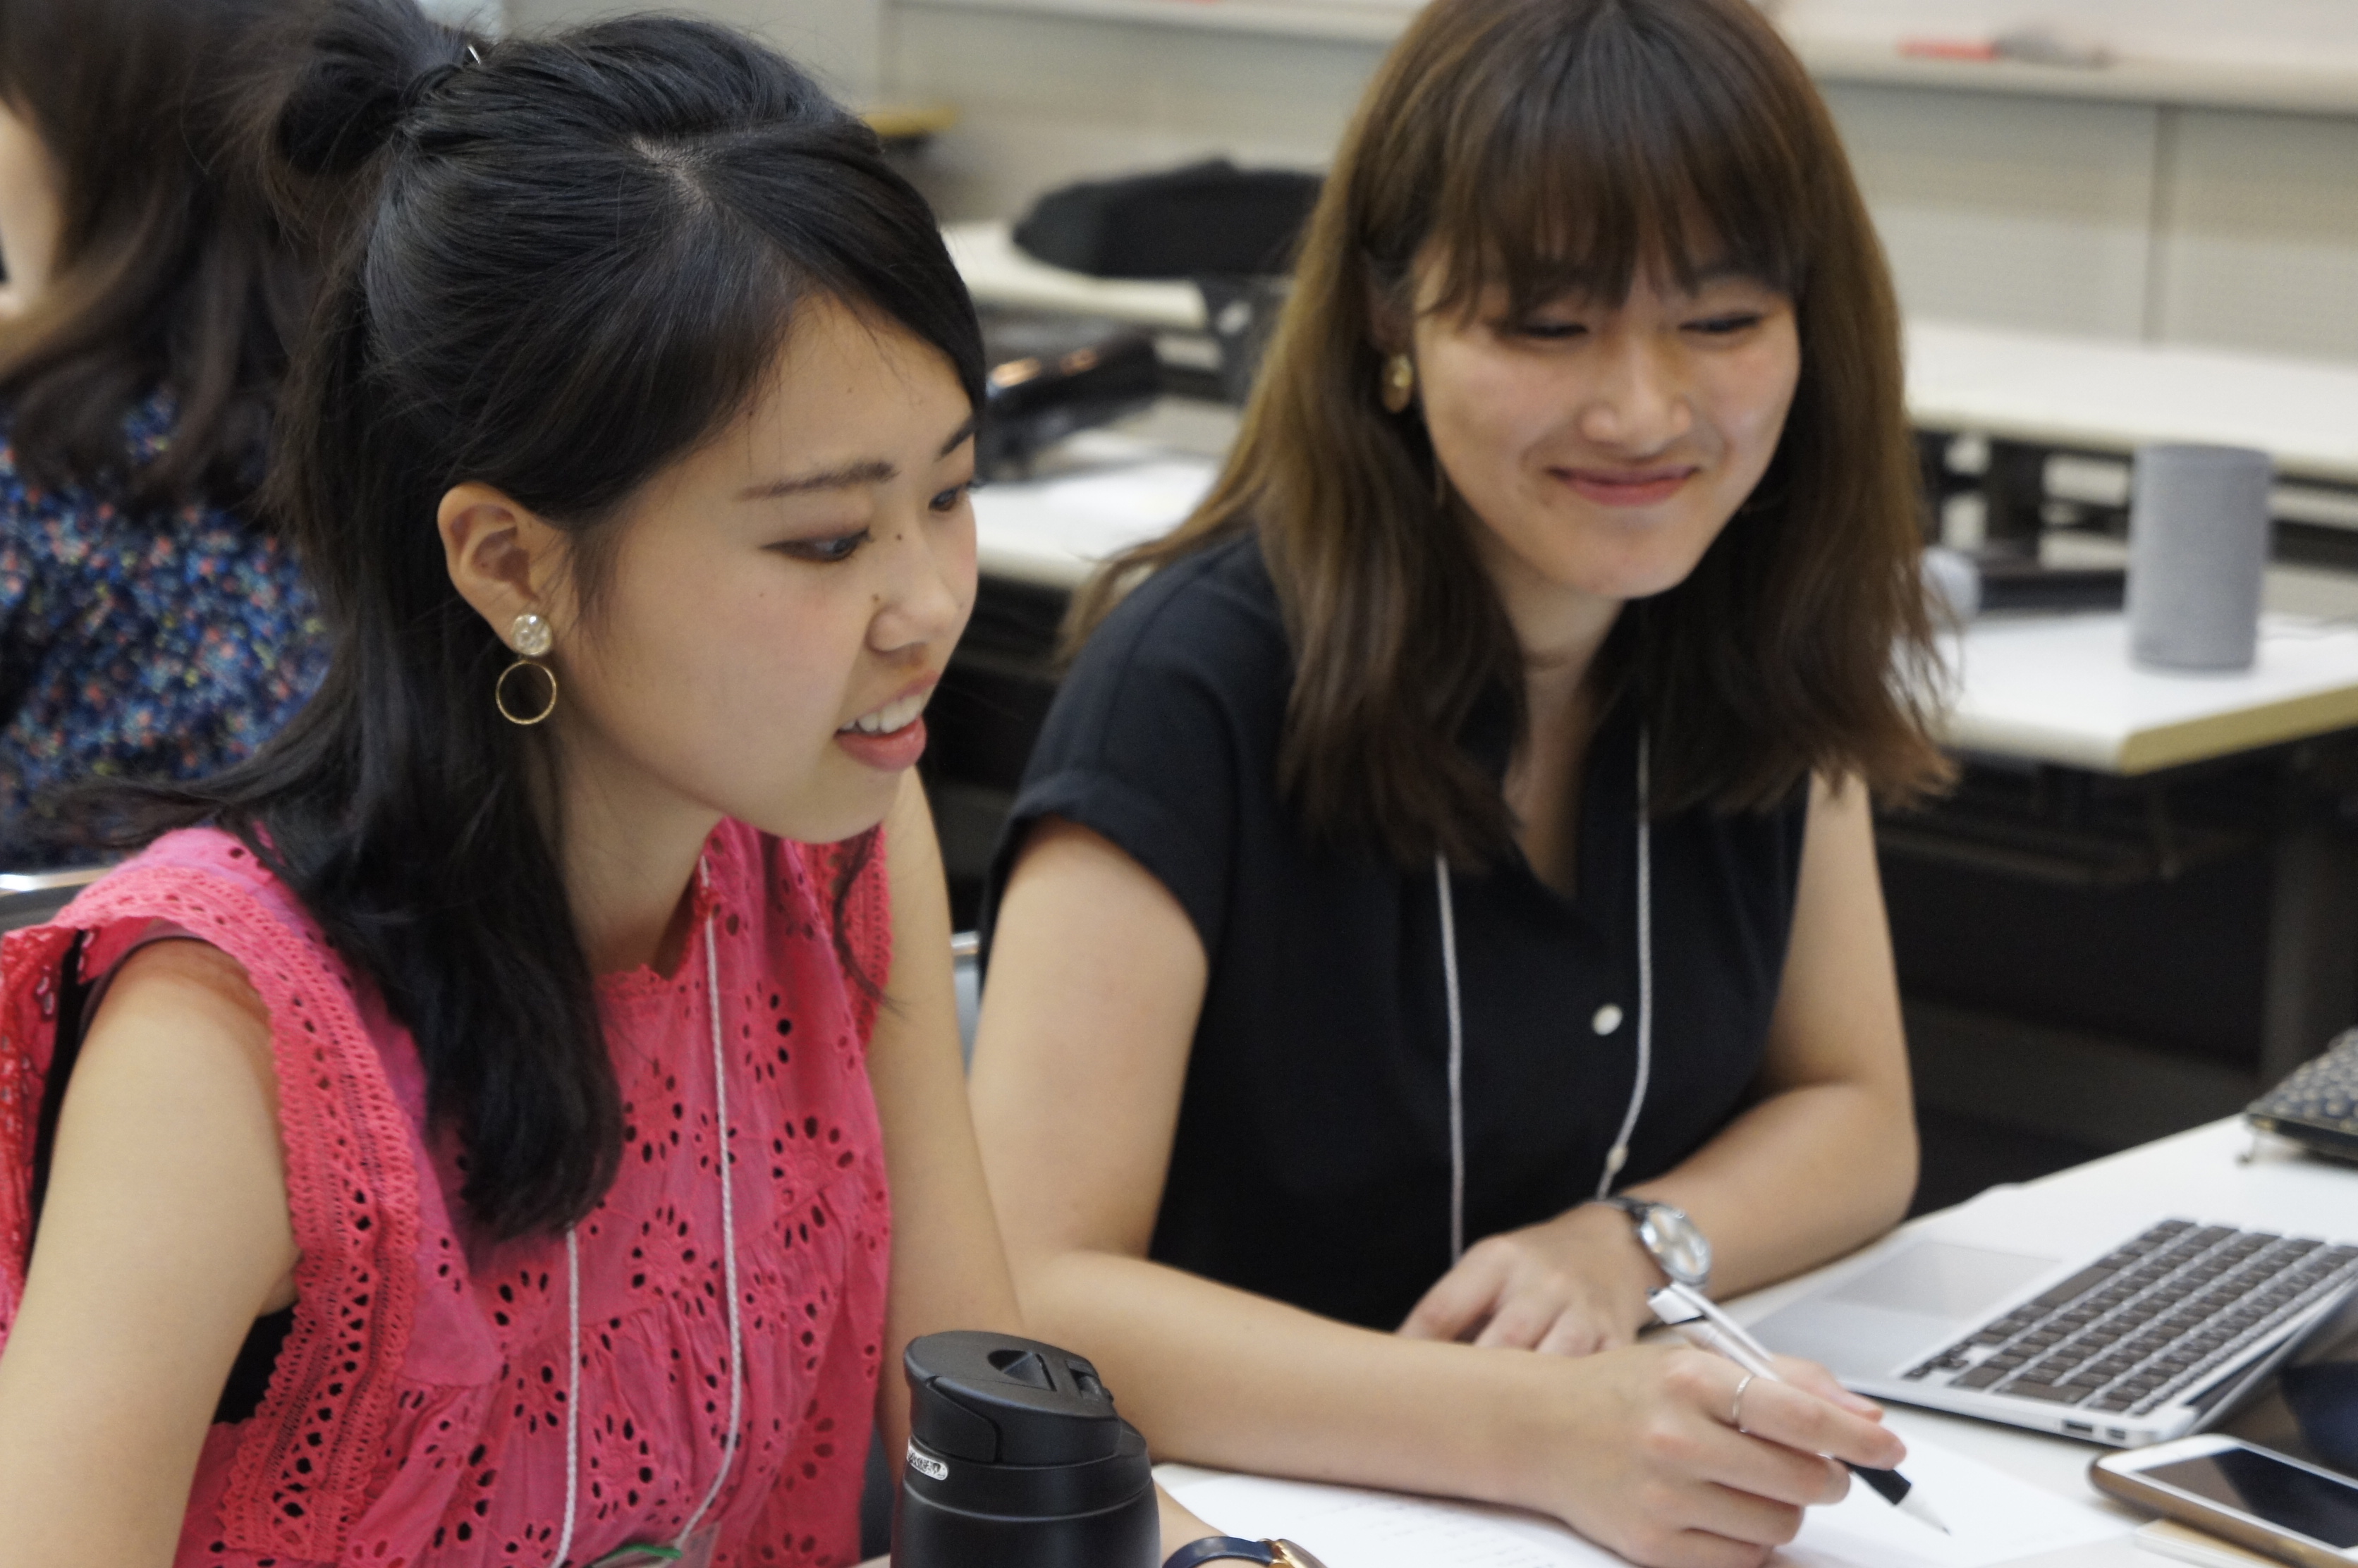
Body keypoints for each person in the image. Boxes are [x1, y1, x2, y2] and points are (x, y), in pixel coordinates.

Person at [0, 4, 1223, 1564]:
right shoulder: (226, 1037)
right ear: (509, 563)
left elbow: (990, 1440)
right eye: (824, 539)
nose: (926, 604)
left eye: (951, 489)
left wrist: (1209, 1554)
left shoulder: (838, 845)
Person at [972, 0, 1951, 1563]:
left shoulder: (1754, 617)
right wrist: (1534, 1429)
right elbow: (1023, 1297)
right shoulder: (1189, 682)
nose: (1641, 410)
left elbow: (1855, 1113)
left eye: (1718, 322)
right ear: (1389, 321)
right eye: (1545, 328)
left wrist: (1626, 1244)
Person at [0, 0, 327, 863]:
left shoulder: (43, 451)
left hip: (70, 942)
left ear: (89, 142)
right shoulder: (402, 422)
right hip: (331, 935)